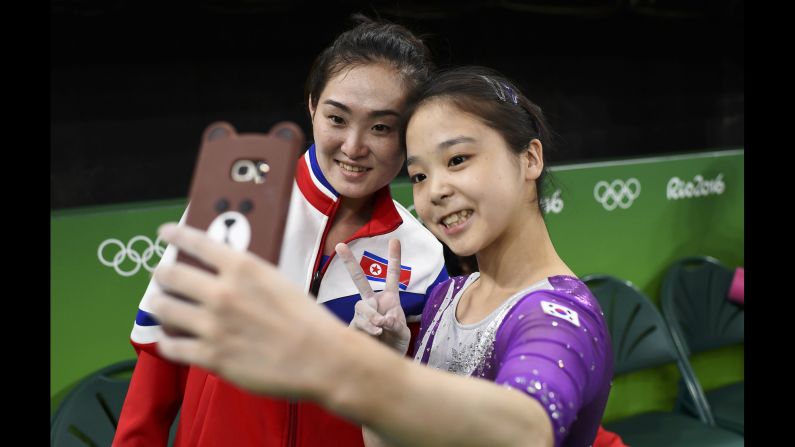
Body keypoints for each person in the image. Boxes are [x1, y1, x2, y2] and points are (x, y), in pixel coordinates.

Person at [147, 66, 614, 447]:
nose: (438, 191)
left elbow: (528, 427)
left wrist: (353, 371)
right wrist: (381, 360)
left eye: (457, 160)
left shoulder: (558, 316)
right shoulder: (449, 297)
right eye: (419, 176)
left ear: (530, 159)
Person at [113, 16, 449, 446]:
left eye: (381, 127)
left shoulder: (422, 256)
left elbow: (419, 418)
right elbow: (161, 355)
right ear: (312, 107)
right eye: (337, 118)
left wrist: (391, 361)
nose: (353, 146)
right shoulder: (234, 201)